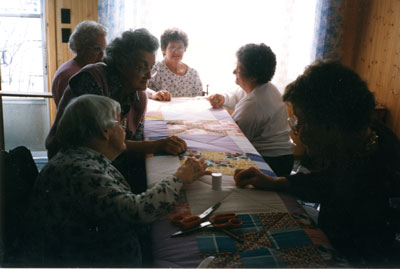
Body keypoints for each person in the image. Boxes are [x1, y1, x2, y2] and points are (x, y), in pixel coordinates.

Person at [234, 60, 400, 266]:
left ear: (330, 126)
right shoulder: (364, 136)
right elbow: (329, 182)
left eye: (301, 122)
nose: (297, 132)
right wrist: (276, 182)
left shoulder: (378, 175)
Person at [24, 94, 209, 267]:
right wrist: (179, 178)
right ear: (105, 131)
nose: (124, 130)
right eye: (120, 123)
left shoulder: (81, 158)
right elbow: (137, 211)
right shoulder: (79, 171)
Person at [46, 28, 187, 192]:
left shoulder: (139, 96)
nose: (148, 76)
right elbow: (99, 144)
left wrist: (163, 143)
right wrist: (156, 145)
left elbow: (132, 137)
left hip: (109, 161)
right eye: (141, 67)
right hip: (75, 168)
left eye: (151, 67)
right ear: (121, 64)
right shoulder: (91, 80)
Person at [208, 43, 294, 176]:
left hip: (271, 162)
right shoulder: (266, 87)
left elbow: (234, 142)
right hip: (285, 157)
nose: (234, 72)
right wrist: (223, 99)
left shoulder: (253, 104)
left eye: (238, 69)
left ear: (253, 76)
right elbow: (237, 95)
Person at [51, 20, 107, 106]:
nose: (102, 55)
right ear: (80, 47)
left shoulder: (83, 68)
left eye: (103, 49)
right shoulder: (72, 75)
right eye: (97, 49)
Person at [147, 28, 203, 101]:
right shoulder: (155, 68)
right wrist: (153, 94)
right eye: (172, 48)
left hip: (187, 112)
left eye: (180, 48)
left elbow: (199, 100)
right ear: (163, 49)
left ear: (185, 49)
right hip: (160, 112)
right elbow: (140, 89)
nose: (176, 52)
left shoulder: (193, 74)